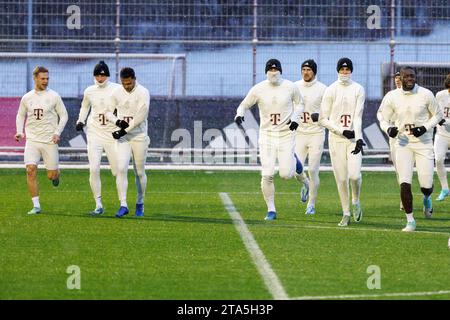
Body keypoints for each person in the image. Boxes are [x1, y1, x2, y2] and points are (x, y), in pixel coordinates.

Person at [234, 58, 309, 221]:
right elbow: (244, 105)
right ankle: (271, 210)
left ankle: (301, 174)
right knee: (267, 174)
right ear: (266, 71)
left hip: (285, 134)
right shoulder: (259, 89)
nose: (273, 72)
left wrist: (296, 118)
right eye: (270, 70)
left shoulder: (290, 86)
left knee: (285, 175)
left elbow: (300, 104)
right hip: (267, 136)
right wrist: (239, 114)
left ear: (280, 71)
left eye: (276, 70)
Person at [379, 66, 442, 232]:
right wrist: (388, 129)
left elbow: (438, 115)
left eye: (412, 76)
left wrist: (425, 127)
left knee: (426, 183)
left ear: (415, 77)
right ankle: (410, 220)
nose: (409, 79)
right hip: (403, 143)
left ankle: (427, 197)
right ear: (400, 77)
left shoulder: (426, 94)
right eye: (406, 76)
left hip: (423, 143)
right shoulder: (392, 96)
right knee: (404, 181)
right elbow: (383, 119)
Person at [15, 66, 68, 214]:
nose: (45, 81)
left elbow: (64, 115)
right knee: (30, 170)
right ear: (35, 78)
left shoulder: (54, 96)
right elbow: (20, 115)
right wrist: (20, 132)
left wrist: (57, 132)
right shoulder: (27, 97)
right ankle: (36, 206)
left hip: (49, 140)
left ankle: (57, 175)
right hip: (32, 140)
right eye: (42, 78)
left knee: (51, 175)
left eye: (47, 78)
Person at [319, 57, 365, 227]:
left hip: (353, 139)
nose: (345, 72)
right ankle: (346, 213)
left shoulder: (358, 89)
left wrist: (358, 137)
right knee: (341, 178)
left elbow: (358, 116)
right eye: (342, 69)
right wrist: (340, 131)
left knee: (355, 175)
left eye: (347, 69)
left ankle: (356, 200)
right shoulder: (331, 90)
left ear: (351, 70)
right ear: (337, 70)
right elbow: (323, 119)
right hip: (336, 139)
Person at [75, 61, 121, 215]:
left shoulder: (116, 89)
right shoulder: (89, 91)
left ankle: (123, 203)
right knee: (94, 169)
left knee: (117, 171)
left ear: (107, 75)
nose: (100, 78)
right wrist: (80, 120)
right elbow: (85, 106)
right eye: (97, 74)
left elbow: (124, 106)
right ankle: (98, 205)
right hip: (94, 133)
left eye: (103, 74)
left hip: (111, 134)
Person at [106, 67, 150, 218]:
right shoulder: (116, 92)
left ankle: (140, 202)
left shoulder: (143, 92)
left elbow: (141, 116)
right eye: (124, 83)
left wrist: (125, 129)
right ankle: (123, 204)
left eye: (129, 83)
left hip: (139, 136)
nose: (127, 86)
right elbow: (107, 112)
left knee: (139, 171)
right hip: (124, 138)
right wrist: (117, 121)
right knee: (121, 168)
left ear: (134, 79)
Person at [294, 59, 327, 215]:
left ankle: (311, 204)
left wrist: (319, 116)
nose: (305, 72)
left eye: (308, 69)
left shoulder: (322, 89)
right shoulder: (294, 87)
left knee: (313, 170)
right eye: (303, 69)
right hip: (299, 133)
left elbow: (329, 110)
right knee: (295, 170)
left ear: (314, 72)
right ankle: (306, 185)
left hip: (316, 133)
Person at [377, 71, 404, 211]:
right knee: (399, 170)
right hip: (395, 136)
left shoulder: (417, 94)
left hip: (413, 136)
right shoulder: (390, 95)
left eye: (400, 78)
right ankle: (403, 199)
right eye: (396, 78)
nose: (398, 80)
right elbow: (380, 113)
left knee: (422, 172)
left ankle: (426, 194)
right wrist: (387, 127)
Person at [434, 73, 450, 201]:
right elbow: (435, 112)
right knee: (438, 159)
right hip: (442, 134)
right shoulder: (440, 95)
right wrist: (438, 120)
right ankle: (445, 188)